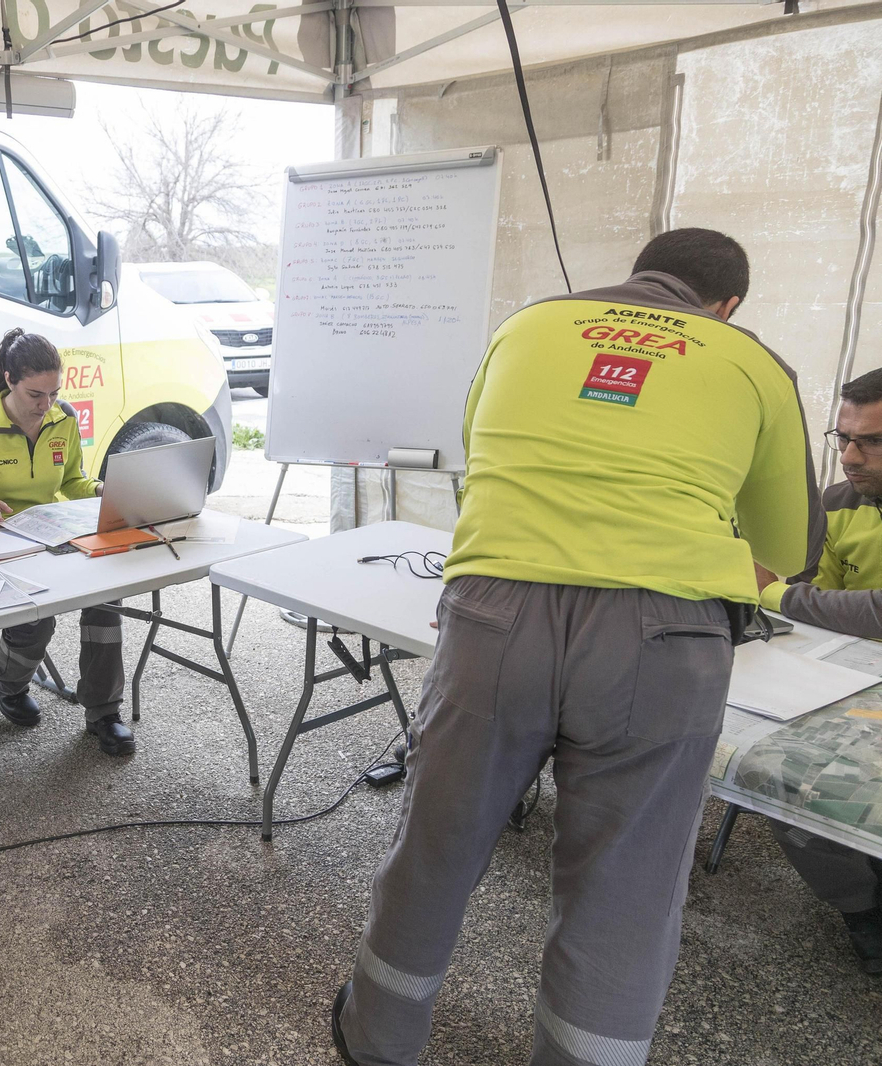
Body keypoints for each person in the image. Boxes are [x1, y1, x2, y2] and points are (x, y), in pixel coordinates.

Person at [332, 229, 823, 1066]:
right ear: (728, 305)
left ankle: (376, 1037)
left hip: (494, 617)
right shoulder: (752, 361)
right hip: (666, 638)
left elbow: (482, 452)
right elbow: (788, 545)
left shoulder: (526, 326)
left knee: (437, 839)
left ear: (635, 270)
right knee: (625, 887)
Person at [0, 328, 133, 756]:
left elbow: (72, 481)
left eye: (53, 393)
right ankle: (6, 682)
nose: (46, 405)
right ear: (9, 380)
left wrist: (103, 489)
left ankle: (104, 711)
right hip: (0, 544)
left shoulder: (63, 418)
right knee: (37, 618)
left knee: (107, 600)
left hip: (54, 535)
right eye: (35, 395)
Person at [755, 366, 882, 975]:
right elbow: (820, 603)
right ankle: (862, 909)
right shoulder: (839, 502)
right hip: (852, 685)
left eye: (872, 442)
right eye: (843, 438)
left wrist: (775, 593)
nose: (851, 457)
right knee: (783, 778)